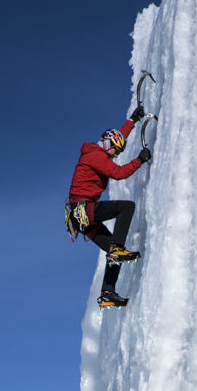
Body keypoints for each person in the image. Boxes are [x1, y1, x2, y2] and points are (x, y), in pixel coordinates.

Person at [65, 107, 153, 308]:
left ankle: (108, 293)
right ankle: (116, 249)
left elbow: (118, 137)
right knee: (126, 208)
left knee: (115, 251)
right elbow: (120, 173)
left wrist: (132, 120)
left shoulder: (99, 153)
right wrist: (140, 159)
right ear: (107, 144)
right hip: (84, 210)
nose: (115, 154)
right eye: (115, 149)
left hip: (81, 217)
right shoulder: (96, 155)